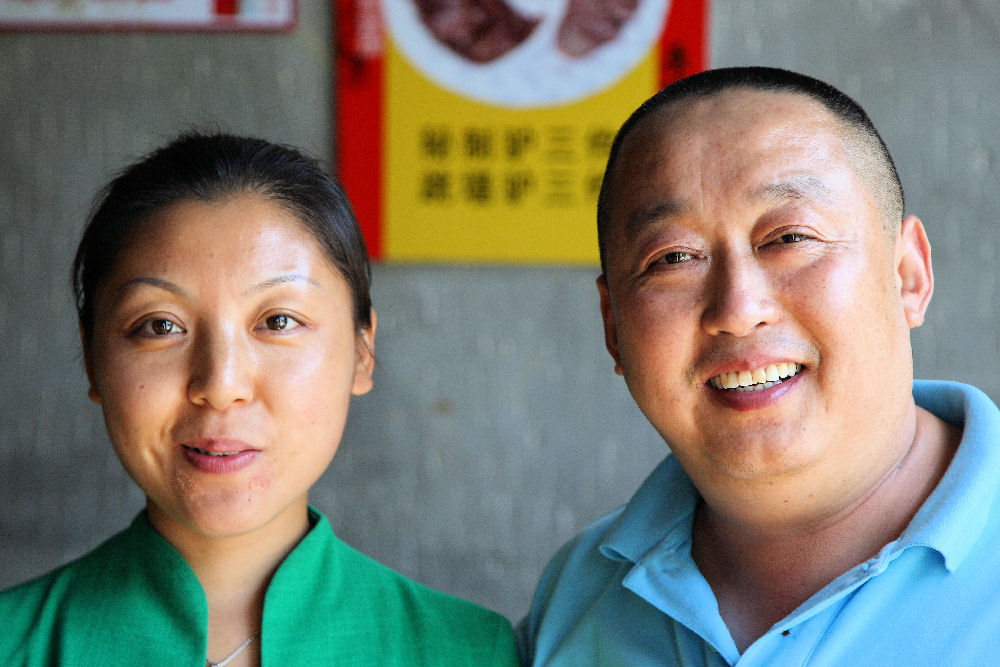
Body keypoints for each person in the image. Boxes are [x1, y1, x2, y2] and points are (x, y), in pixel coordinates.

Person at [518, 66, 1000, 665]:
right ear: (613, 326)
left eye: (790, 238)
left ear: (908, 276)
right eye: (673, 257)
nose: (738, 309)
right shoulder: (579, 597)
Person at [0, 132, 520, 666]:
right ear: (92, 359)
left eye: (278, 321)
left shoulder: (471, 652)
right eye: (160, 325)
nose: (221, 384)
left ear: (363, 351)